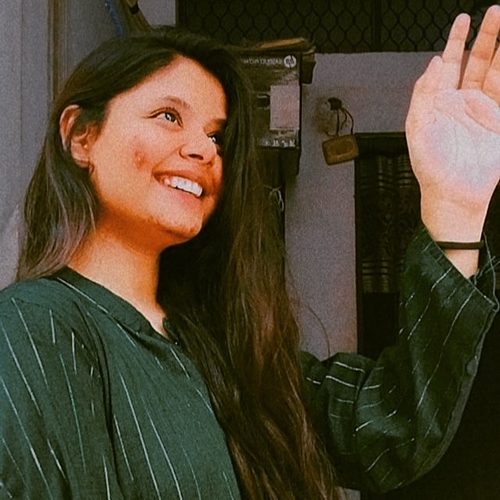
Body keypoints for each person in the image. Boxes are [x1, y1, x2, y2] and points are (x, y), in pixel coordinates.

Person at [1, 6, 500, 500]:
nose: (204, 150)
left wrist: (455, 207)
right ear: (81, 137)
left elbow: (391, 426)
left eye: (215, 136)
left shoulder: (219, 344)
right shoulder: (35, 326)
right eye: (169, 116)